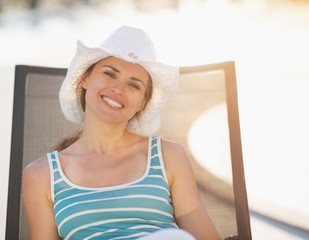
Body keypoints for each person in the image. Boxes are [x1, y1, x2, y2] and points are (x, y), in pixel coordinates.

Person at [22, 26, 222, 240]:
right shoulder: (42, 175)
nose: (118, 89)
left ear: (142, 103)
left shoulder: (167, 156)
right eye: (109, 73)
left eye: (134, 85)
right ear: (85, 78)